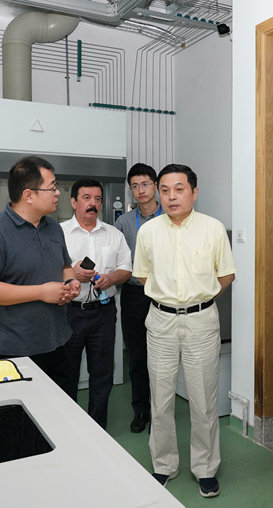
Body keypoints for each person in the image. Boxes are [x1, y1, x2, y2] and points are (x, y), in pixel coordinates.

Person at [133, 164, 236, 498]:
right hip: (160, 322)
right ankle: (164, 465)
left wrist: (197, 300)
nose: (171, 196)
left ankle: (205, 468)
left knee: (203, 401)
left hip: (201, 322)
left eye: (179, 189)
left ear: (194, 192)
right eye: (165, 190)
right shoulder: (148, 231)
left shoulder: (212, 228)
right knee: (160, 400)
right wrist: (170, 299)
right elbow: (142, 276)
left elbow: (226, 275)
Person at [0, 155, 80, 396]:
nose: (57, 193)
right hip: (14, 350)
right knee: (21, 415)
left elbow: (65, 265)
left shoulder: (53, 227)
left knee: (63, 411)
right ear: (29, 195)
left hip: (60, 342)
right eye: (52, 187)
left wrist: (70, 281)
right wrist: (41, 292)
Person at [61, 179, 132, 430]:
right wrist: (72, 275)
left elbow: (126, 269)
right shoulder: (58, 233)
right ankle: (67, 429)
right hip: (68, 313)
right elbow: (44, 270)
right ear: (73, 202)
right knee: (66, 374)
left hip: (103, 313)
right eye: (86, 198)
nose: (93, 203)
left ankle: (97, 428)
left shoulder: (114, 234)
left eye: (97, 199)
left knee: (102, 374)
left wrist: (110, 278)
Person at [115, 163, 162, 433]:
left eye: (145, 184)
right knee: (137, 356)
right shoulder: (123, 223)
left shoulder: (170, 216)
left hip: (163, 293)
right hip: (133, 294)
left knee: (163, 356)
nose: (140, 190)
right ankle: (141, 410)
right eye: (135, 186)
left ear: (155, 185)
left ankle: (161, 413)